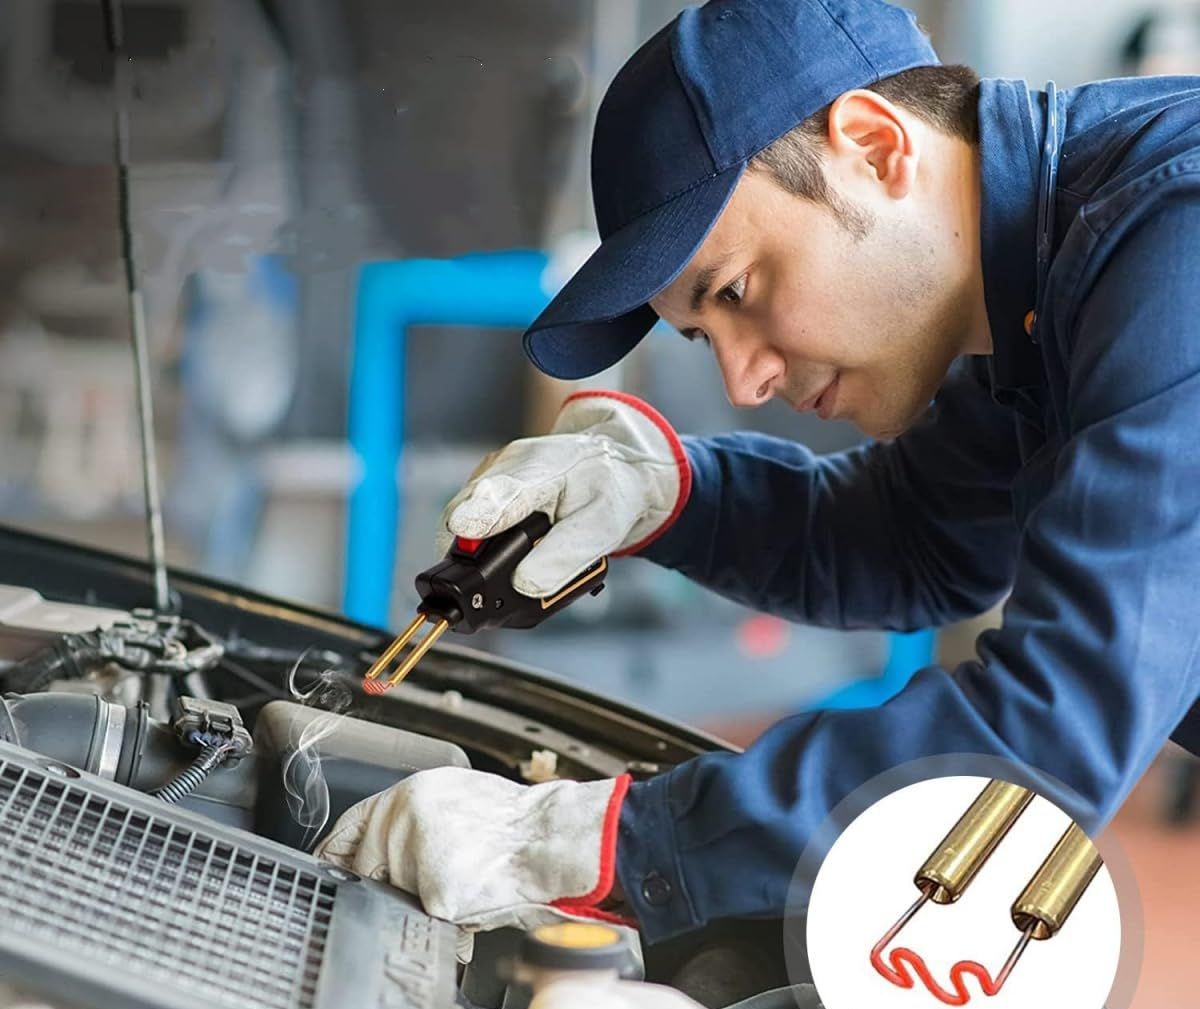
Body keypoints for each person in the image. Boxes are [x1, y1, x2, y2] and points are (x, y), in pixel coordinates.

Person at [317, 0, 1200, 946]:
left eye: (737, 290)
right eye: (708, 336)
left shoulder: (1173, 241)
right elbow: (916, 542)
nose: (743, 381)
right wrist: (667, 491)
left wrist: (606, 841)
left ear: (874, 145)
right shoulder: (1033, 287)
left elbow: (1048, 732)